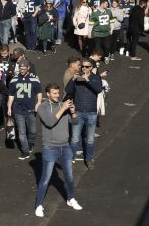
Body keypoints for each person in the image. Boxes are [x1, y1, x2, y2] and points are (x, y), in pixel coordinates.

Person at [35, 84, 83, 217]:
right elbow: (50, 122)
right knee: (46, 178)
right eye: (54, 93)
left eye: (58, 93)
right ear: (48, 94)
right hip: (50, 147)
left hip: (65, 147)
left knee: (69, 176)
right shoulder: (42, 107)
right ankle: (39, 205)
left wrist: (73, 111)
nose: (57, 95)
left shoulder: (64, 105)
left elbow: (75, 122)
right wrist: (63, 108)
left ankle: (71, 198)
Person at [64, 59, 105, 170]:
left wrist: (87, 80)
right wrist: (73, 79)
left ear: (91, 68)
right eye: (82, 66)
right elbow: (68, 90)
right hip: (78, 112)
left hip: (91, 113)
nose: (84, 68)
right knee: (75, 138)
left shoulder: (95, 78)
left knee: (90, 138)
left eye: (87, 67)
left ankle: (89, 159)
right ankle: (71, 159)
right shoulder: (76, 78)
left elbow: (98, 89)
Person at [7, 59, 42, 162]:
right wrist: (9, 107)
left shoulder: (34, 79)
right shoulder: (14, 79)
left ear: (28, 68)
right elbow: (11, 95)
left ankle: (30, 143)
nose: (21, 70)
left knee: (33, 131)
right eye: (20, 68)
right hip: (18, 109)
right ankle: (25, 151)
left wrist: (38, 102)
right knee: (21, 132)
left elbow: (39, 92)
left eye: (23, 69)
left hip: (30, 109)